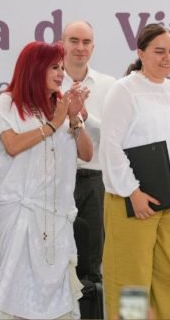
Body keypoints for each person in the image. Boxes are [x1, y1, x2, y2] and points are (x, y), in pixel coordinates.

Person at [0, 41, 93, 319]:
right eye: (54, 67)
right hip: (20, 209)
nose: (61, 73)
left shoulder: (62, 106)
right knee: (14, 291)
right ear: (35, 69)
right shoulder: (9, 102)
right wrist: (53, 124)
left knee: (58, 294)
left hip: (57, 215)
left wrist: (74, 118)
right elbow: (11, 145)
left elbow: (87, 153)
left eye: (61, 67)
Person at [99, 23, 170, 320]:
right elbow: (110, 145)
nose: (168, 57)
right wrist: (132, 192)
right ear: (141, 53)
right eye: (159, 51)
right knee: (131, 281)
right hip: (135, 197)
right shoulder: (124, 89)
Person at [60, 20, 116, 282]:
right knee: (56, 258)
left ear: (93, 47)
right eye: (74, 41)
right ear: (62, 45)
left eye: (86, 42)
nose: (80, 48)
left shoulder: (109, 85)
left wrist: (84, 115)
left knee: (92, 261)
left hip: (95, 180)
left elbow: (113, 137)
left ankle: (90, 304)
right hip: (55, 178)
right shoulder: (49, 80)